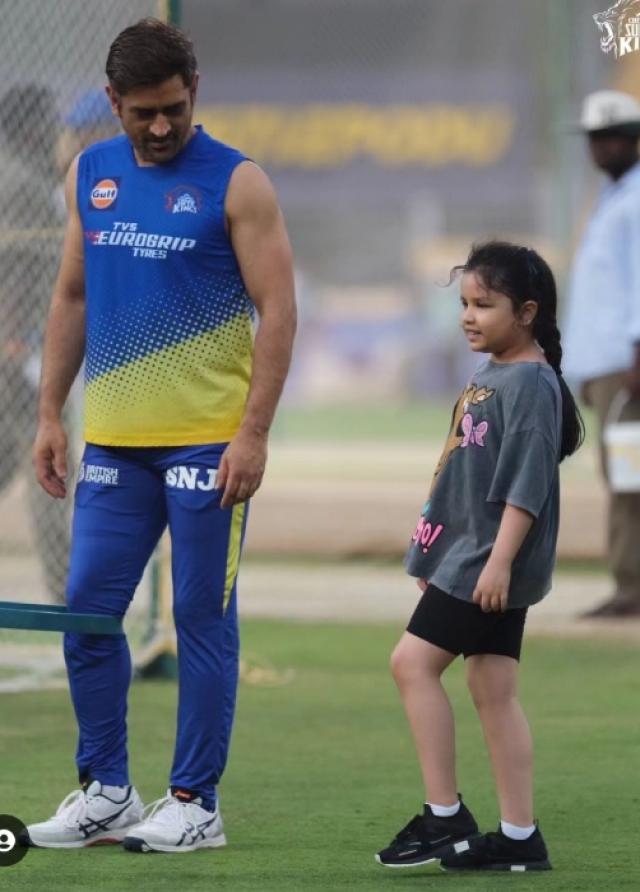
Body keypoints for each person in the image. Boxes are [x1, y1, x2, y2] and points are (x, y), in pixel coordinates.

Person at [24, 18, 296, 854]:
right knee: (89, 616)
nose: (161, 125)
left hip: (208, 445)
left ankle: (195, 802)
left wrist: (251, 436)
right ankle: (106, 789)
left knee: (200, 616)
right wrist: (48, 414)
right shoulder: (91, 174)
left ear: (195, 91)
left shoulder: (238, 182)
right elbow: (70, 298)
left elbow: (279, 310)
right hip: (111, 443)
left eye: (174, 108)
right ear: (113, 102)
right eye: (143, 111)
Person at [375, 241, 583, 872]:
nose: (468, 316)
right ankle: (520, 837)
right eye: (464, 303)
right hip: (467, 558)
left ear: (525, 311)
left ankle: (444, 817)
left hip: (490, 563)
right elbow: (458, 476)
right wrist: (430, 552)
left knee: (411, 664)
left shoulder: (530, 382)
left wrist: (496, 563)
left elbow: (526, 484)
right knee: (492, 687)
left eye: (483, 305)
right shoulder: (494, 375)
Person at [563, 89, 640, 618]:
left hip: (627, 361)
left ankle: (631, 587)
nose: (599, 148)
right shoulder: (614, 197)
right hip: (605, 360)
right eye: (594, 139)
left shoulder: (635, 200)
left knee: (630, 475)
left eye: (610, 137)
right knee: (623, 472)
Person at [0, 83, 70, 603]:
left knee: (11, 458)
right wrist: (15, 335)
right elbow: (19, 265)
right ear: (25, 126)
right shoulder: (20, 179)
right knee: (49, 459)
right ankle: (69, 599)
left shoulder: (18, 173)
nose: (55, 132)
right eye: (47, 121)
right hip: (17, 348)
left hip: (16, 343)